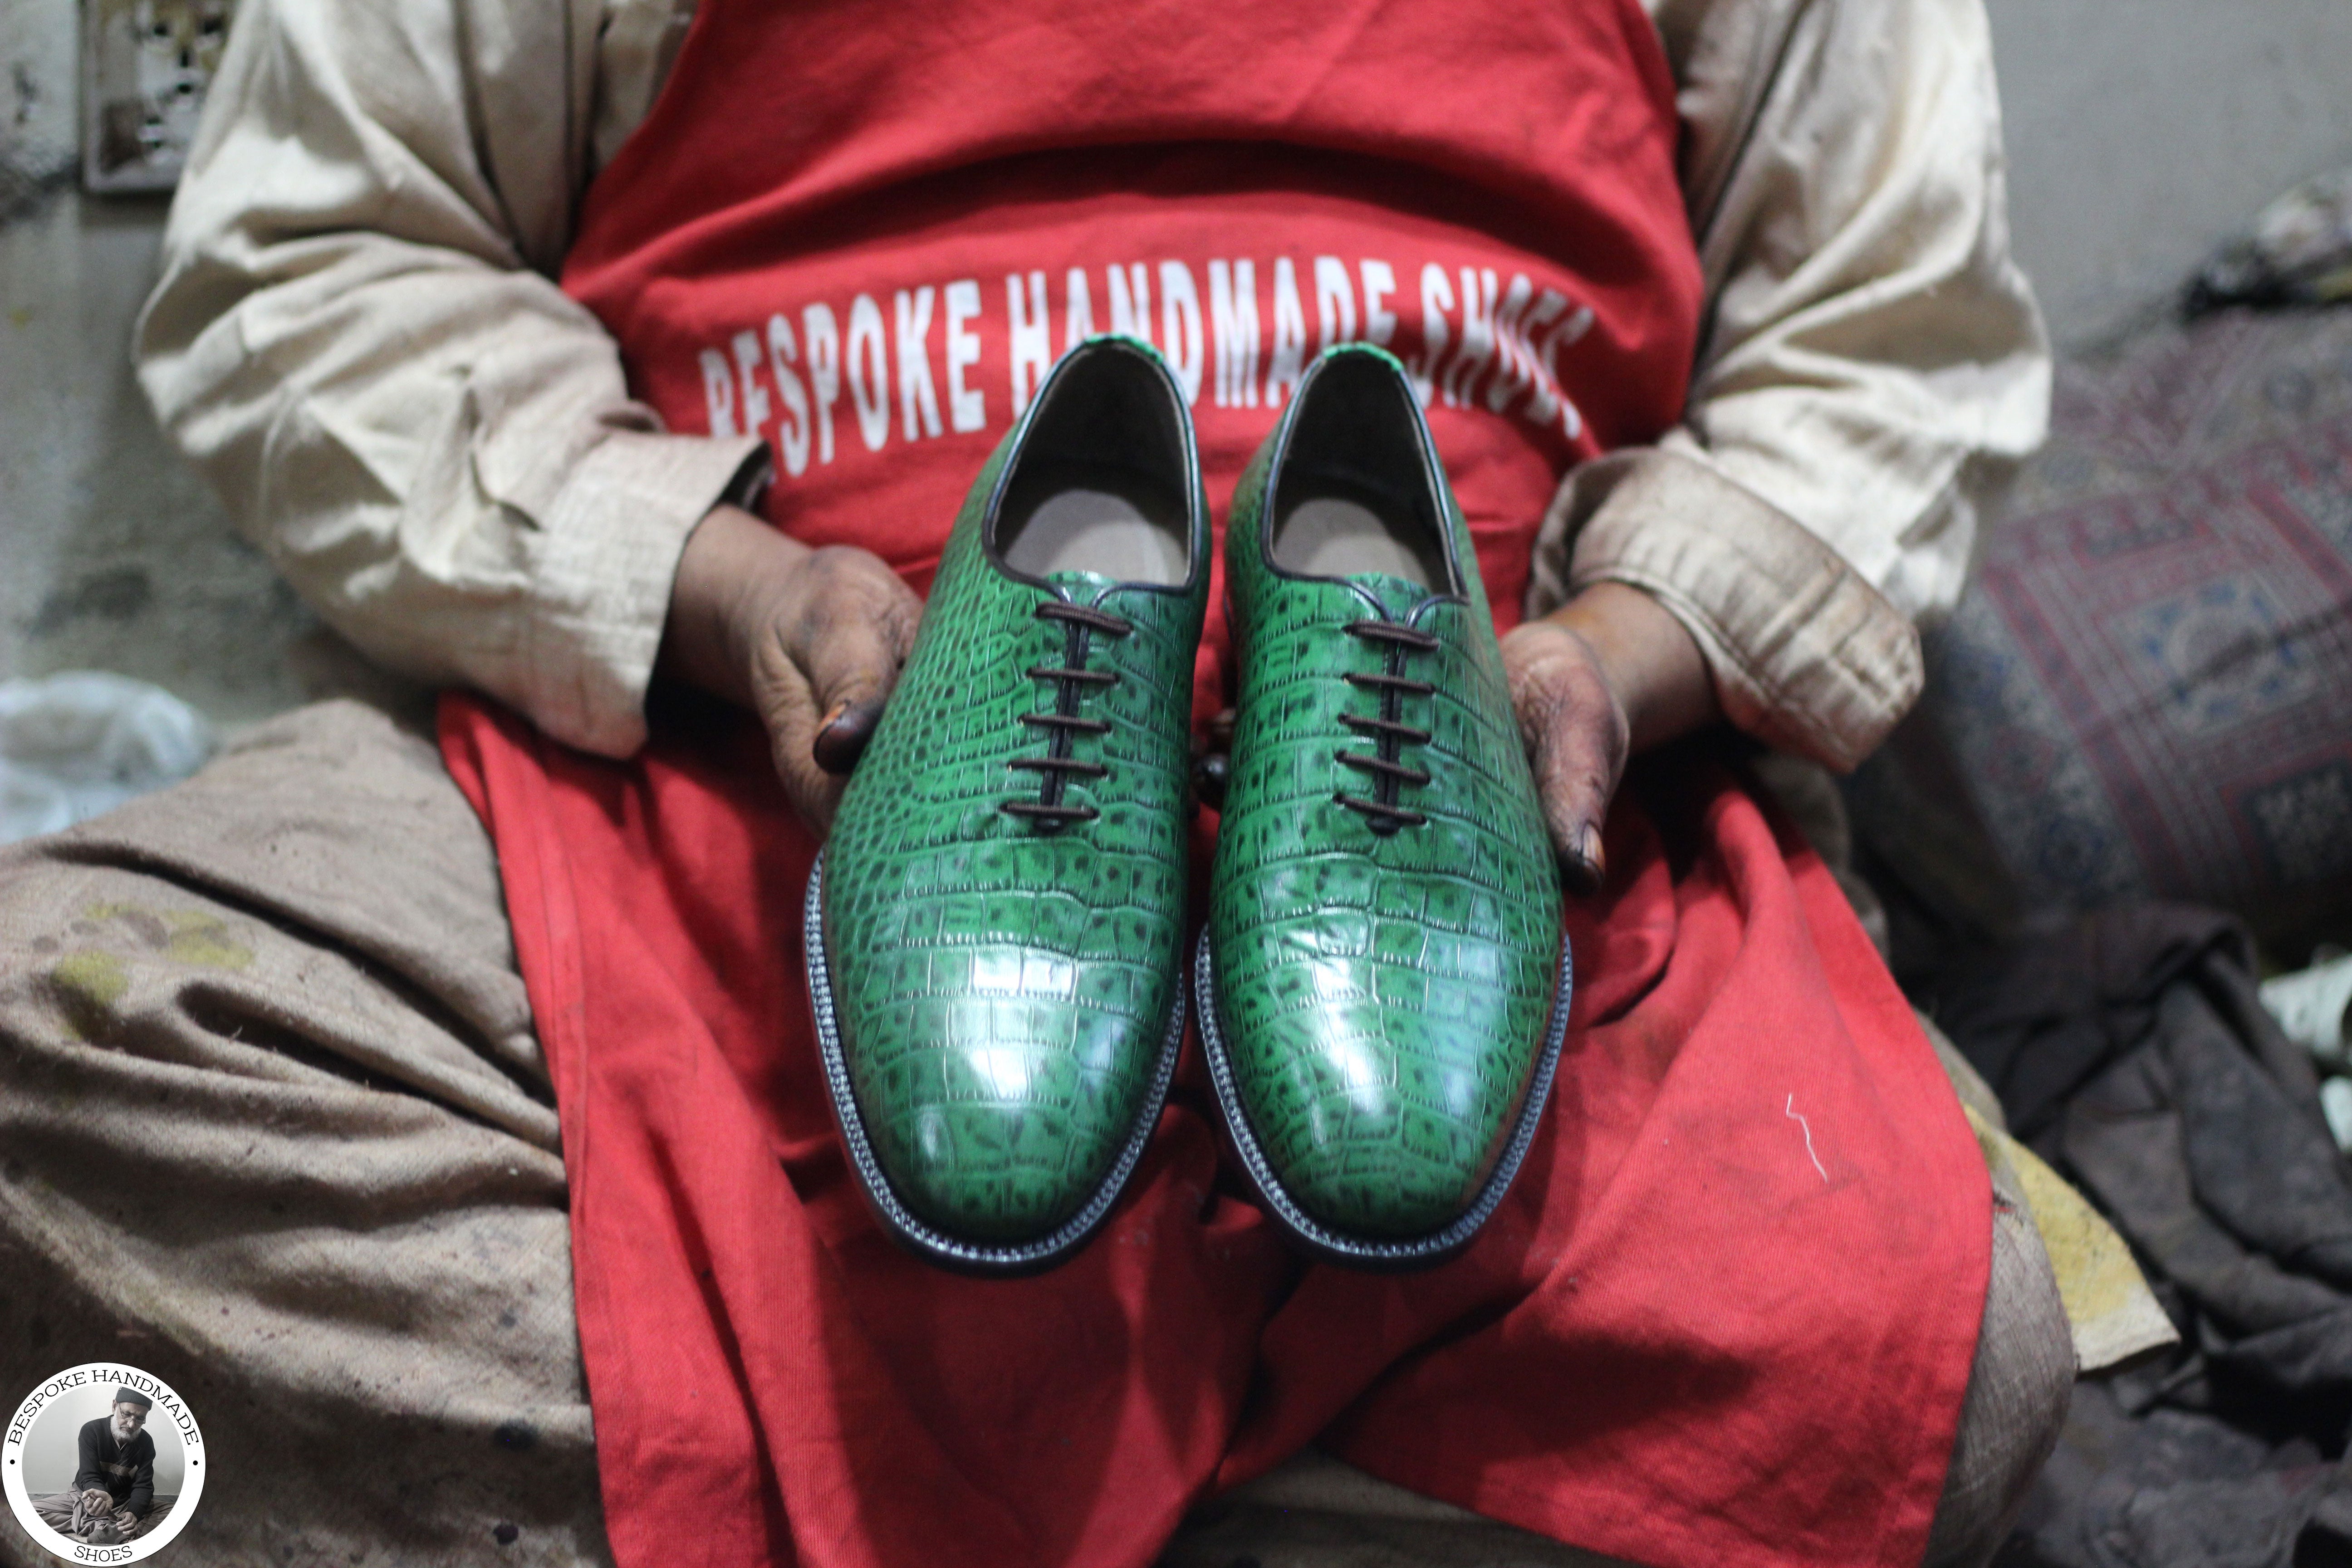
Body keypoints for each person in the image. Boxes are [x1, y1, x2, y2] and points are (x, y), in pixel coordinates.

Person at [0, 1, 2073, 1565]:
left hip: (1482, 797)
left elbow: (1882, 350)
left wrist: (1608, 664)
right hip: (777, 729)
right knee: (58, 1010)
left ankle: (855, 1468)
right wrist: (730, 597)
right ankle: (1316, 1475)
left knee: (1935, 1350)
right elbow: (314, 268)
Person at [29, 1391, 154, 1544]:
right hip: (84, 1498)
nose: (131, 1424)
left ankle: (102, 1526)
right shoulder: (92, 1430)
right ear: (115, 1406)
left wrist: (134, 1513)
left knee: (174, 1514)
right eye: (126, 1414)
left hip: (123, 1505)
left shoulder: (146, 1442)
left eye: (140, 1419)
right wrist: (98, 1497)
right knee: (26, 1513)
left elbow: (143, 1486)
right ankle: (105, 1528)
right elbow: (90, 1476)